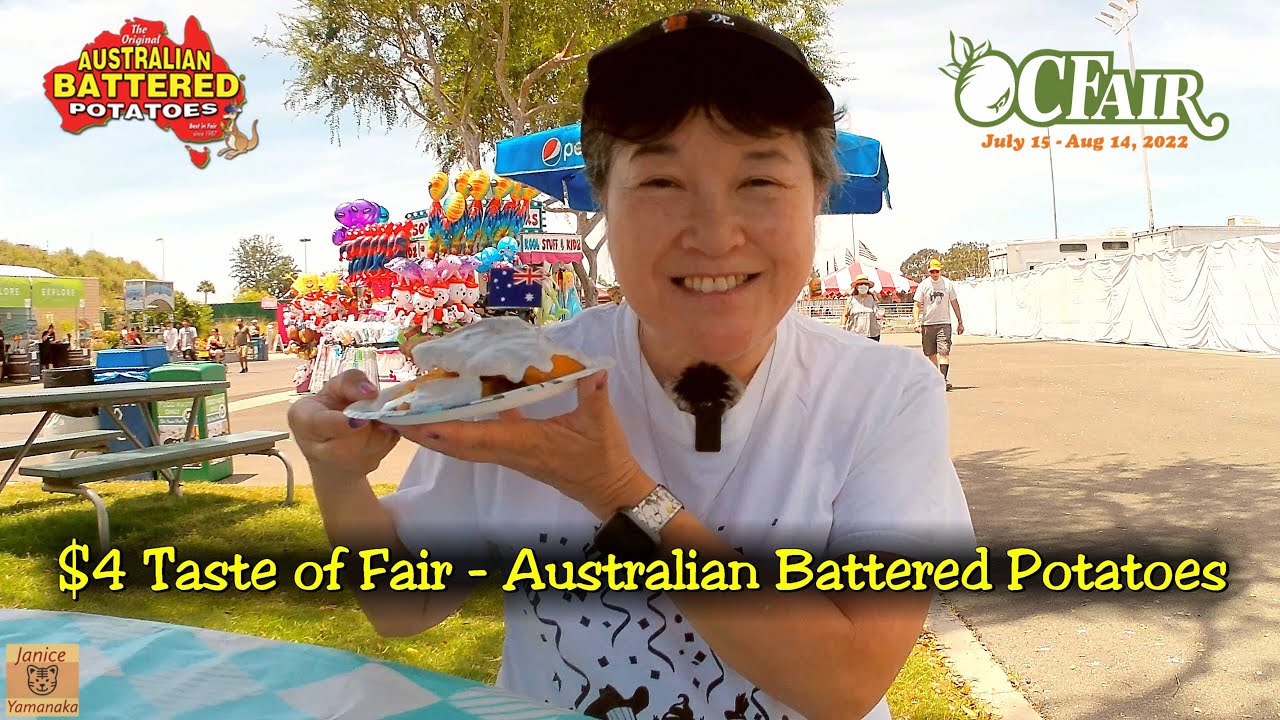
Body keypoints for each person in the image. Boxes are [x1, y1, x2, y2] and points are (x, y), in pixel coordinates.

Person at [287, 11, 974, 720]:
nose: (713, 233)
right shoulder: (517, 378)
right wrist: (338, 476)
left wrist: (619, 492)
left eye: (759, 182)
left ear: (817, 201)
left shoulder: (882, 396)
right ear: (604, 205)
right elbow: (405, 608)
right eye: (661, 183)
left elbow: (844, 684)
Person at [912, 258, 964, 391]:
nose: (934, 274)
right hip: (928, 324)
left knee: (944, 352)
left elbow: (954, 303)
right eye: (932, 271)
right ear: (928, 271)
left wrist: (960, 321)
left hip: (944, 323)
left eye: (937, 271)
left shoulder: (947, 284)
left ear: (941, 270)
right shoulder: (923, 285)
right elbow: (917, 304)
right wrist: (916, 320)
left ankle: (943, 379)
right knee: (931, 354)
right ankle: (936, 378)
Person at [840, 274, 884, 341]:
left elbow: (877, 314)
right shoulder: (851, 299)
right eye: (860, 284)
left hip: (872, 334)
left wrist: (880, 315)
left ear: (868, 286)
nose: (863, 286)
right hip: (854, 334)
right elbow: (845, 314)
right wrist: (842, 326)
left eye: (865, 284)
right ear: (856, 287)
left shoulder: (873, 298)